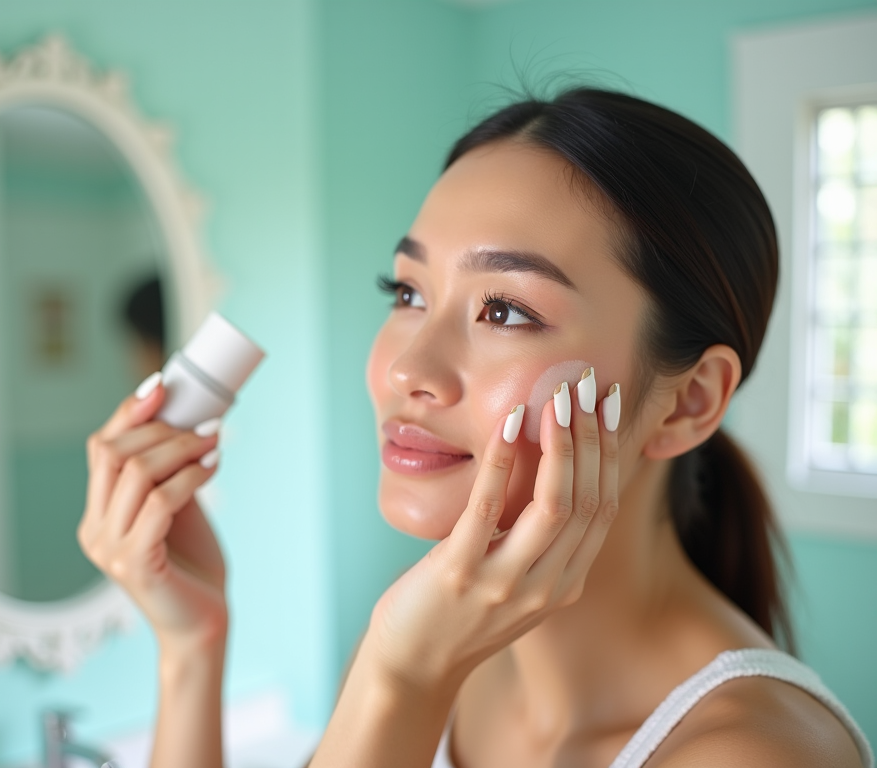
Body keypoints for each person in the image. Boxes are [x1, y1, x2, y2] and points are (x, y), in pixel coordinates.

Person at [78, 88, 874, 767]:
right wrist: (191, 647)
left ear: (690, 400)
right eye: (408, 292)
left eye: (505, 310)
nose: (405, 370)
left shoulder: (749, 754)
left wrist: (402, 683)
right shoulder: (424, 645)